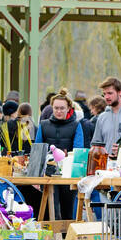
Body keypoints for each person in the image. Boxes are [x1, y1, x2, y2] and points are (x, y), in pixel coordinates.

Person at [38, 88, 81, 219]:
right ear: (52, 108)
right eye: (56, 108)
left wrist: (67, 157)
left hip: (68, 174)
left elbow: (79, 150)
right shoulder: (44, 125)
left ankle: (66, 238)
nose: (59, 111)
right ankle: (49, 238)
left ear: (69, 108)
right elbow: (38, 149)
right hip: (48, 173)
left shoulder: (76, 125)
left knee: (68, 211)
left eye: (62, 108)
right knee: (50, 210)